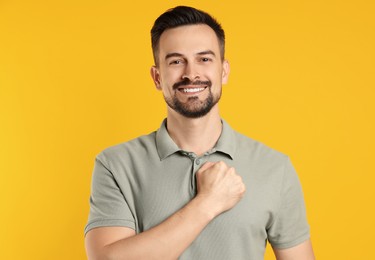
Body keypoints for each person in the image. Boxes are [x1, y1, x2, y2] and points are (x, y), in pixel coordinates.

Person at [84, 6, 315, 260]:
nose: (191, 73)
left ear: (223, 71)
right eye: (176, 61)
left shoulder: (275, 168)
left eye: (204, 59)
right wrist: (208, 203)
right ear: (157, 77)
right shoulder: (116, 164)